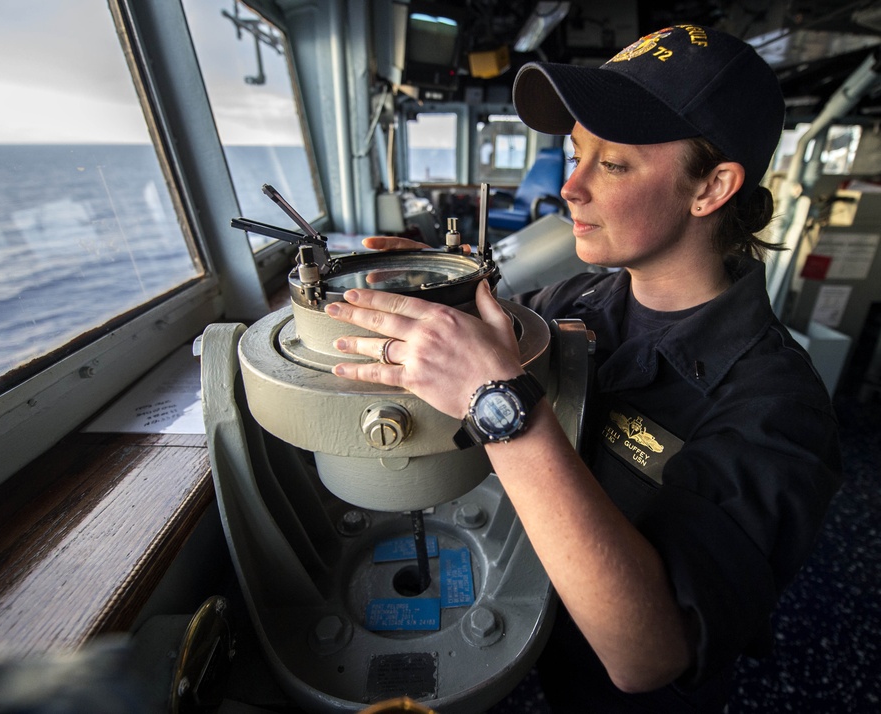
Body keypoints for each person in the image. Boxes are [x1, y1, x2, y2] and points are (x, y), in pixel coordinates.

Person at [325, 24, 843, 713]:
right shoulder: (580, 299)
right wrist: (436, 289)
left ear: (712, 187)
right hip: (534, 628)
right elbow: (494, 336)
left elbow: (649, 654)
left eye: (615, 165)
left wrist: (501, 407)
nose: (571, 187)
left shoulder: (779, 407)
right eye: (576, 154)